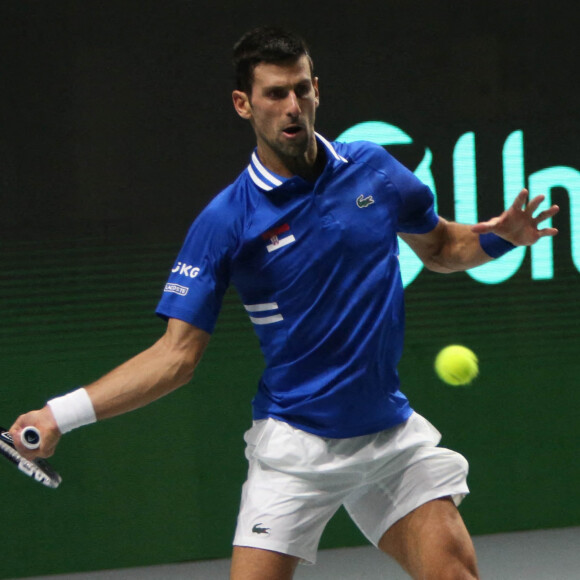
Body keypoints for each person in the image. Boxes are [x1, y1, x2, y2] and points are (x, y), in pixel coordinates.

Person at [11, 26, 559, 580]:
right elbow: (175, 357)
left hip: (388, 436)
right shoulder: (227, 221)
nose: (292, 106)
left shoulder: (372, 169)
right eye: (275, 94)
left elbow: (440, 246)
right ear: (243, 104)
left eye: (302, 89)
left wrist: (501, 238)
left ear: (317, 89)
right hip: (295, 447)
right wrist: (60, 414)